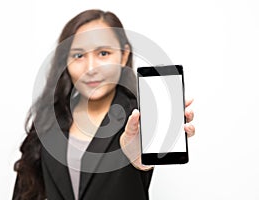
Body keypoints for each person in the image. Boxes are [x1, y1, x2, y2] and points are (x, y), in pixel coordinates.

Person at [12, 9, 195, 200]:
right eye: (78, 56)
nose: (91, 68)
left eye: (103, 53)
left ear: (123, 56)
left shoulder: (141, 119)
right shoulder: (49, 119)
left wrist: (141, 155)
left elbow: (142, 162)